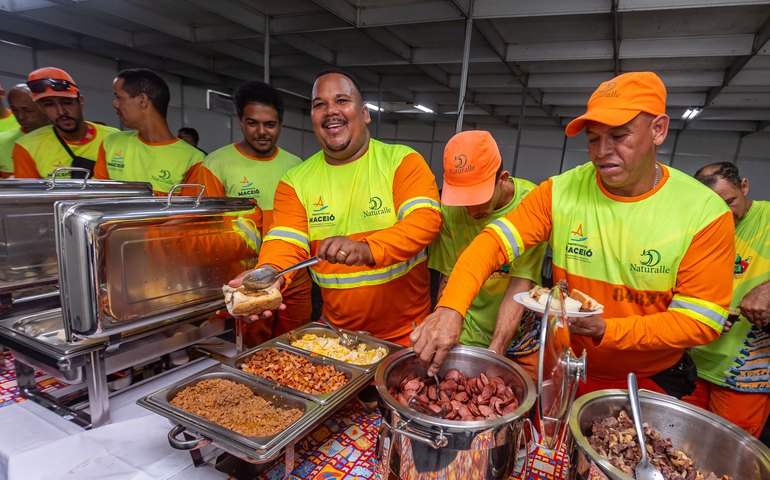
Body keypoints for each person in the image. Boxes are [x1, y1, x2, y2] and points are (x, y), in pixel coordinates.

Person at [412, 71, 735, 398]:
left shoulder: (704, 213)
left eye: (619, 136)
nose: (602, 151)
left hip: (648, 379)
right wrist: (450, 309)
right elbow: (491, 243)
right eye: (594, 138)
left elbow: (700, 320)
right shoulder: (559, 192)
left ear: (658, 130)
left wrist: (609, 330)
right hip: (565, 365)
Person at [228, 69, 442, 346]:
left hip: (407, 334)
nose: (331, 111)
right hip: (336, 337)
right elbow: (285, 240)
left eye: (342, 100)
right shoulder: (295, 181)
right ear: (313, 118)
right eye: (320, 104)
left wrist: (367, 248)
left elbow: (424, 221)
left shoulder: (401, 161)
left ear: (365, 113)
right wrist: (270, 272)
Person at [198, 80, 311, 346]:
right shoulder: (216, 164)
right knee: (254, 348)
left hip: (294, 275)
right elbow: (206, 229)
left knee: (299, 343)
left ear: (281, 124)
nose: (262, 132)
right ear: (239, 121)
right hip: (246, 278)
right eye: (252, 123)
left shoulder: (296, 166)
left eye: (270, 124)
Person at [429, 130, 546, 379]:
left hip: (518, 335)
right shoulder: (449, 209)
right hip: (469, 328)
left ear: (502, 179)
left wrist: (496, 352)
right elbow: (449, 277)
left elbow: (520, 284)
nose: (470, 210)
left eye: (478, 198)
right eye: (462, 199)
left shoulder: (531, 204)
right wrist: (444, 325)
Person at [685, 162, 770, 438]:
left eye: (730, 201)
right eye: (713, 204)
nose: (724, 212)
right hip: (692, 363)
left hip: (744, 373)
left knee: (727, 457)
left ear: (744, 186)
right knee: (678, 448)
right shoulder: (700, 226)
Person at [94, 68, 203, 195]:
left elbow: (190, 213)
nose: (115, 104)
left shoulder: (193, 160)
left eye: (119, 97)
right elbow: (98, 197)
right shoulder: (111, 143)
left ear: (142, 100)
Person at [13, 67, 118, 179]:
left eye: (67, 102)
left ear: (81, 102)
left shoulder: (113, 139)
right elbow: (30, 195)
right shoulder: (27, 147)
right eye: (49, 105)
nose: (61, 112)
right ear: (41, 108)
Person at [0, 84, 50, 178]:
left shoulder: (67, 135)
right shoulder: (1, 142)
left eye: (27, 110)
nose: (20, 117)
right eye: (15, 110)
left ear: (43, 107)